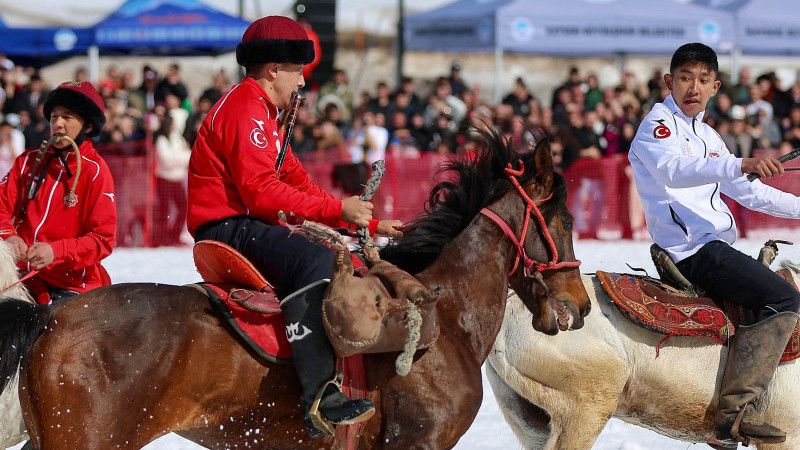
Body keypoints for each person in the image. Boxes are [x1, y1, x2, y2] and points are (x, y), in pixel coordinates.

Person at [187, 16, 403, 438]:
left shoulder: (266, 114)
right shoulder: (246, 108)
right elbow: (263, 194)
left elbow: (297, 182)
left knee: (336, 251)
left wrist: (363, 219)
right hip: (229, 227)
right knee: (317, 257)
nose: (302, 82)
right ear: (273, 70)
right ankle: (320, 396)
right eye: (298, 72)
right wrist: (340, 208)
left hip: (242, 222)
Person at [629, 42, 800, 449]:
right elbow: (673, 171)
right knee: (784, 297)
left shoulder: (708, 135)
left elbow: (749, 193)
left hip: (713, 247)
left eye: (703, 80)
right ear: (669, 81)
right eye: (685, 78)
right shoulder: (658, 125)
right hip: (691, 252)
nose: (693, 87)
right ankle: (733, 414)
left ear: (715, 87)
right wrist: (741, 162)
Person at [0, 81, 116, 303]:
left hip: (71, 286)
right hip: (22, 277)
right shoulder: (28, 161)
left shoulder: (96, 172)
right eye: (54, 117)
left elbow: (103, 239)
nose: (58, 124)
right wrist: (9, 236)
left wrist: (56, 251)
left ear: (88, 126)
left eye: (68, 117)